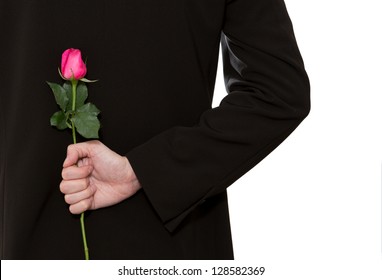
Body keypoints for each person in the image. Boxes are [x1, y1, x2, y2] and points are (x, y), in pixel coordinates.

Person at [0, 0, 310, 259]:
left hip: (27, 231)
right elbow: (279, 93)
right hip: (174, 242)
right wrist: (145, 169)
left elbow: (277, 93)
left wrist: (140, 172)